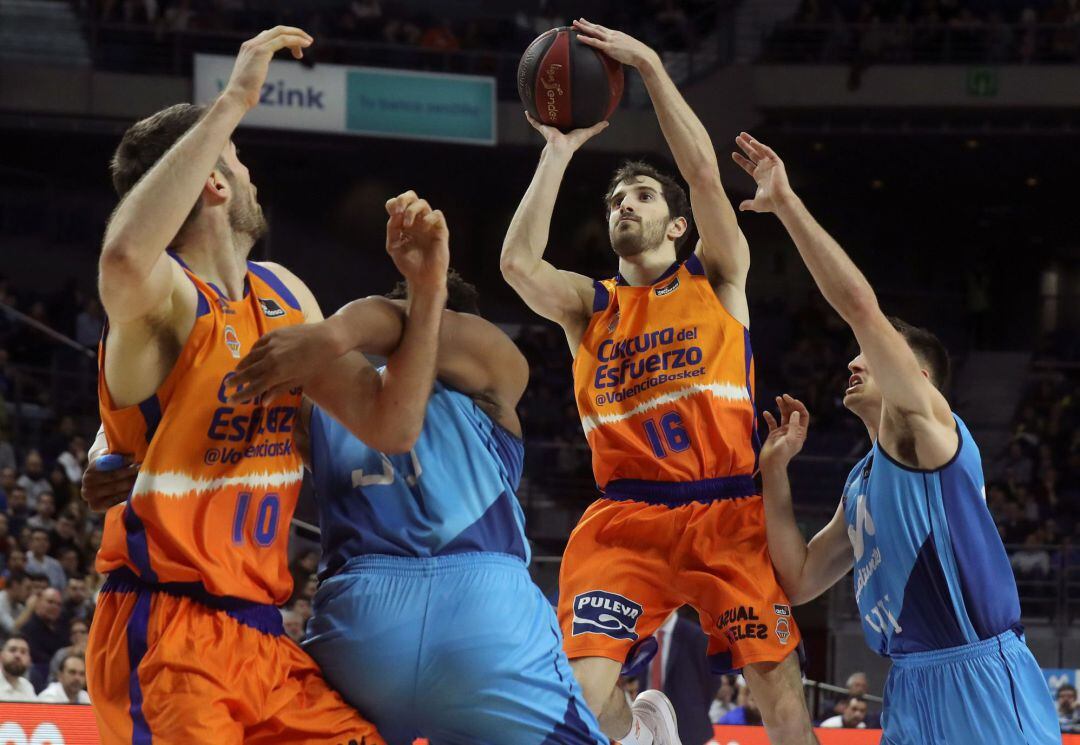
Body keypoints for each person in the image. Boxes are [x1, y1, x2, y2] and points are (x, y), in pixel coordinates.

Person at [78, 24, 465, 745]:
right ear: (215, 181)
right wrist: (230, 102)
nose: (254, 176)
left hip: (259, 634)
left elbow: (391, 423)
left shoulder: (285, 293)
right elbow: (124, 257)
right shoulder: (166, 299)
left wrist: (430, 290)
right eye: (238, 161)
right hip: (167, 632)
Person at [500, 18, 815, 745]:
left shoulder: (717, 276)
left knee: (781, 692)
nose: (623, 207)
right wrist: (557, 150)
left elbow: (705, 174)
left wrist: (647, 67)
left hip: (726, 511)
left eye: (640, 196)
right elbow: (518, 265)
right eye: (614, 201)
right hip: (626, 520)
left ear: (677, 226)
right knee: (578, 696)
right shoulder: (590, 306)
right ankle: (644, 736)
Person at [735, 131, 1061, 745]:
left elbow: (860, 307)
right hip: (907, 683)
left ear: (916, 376)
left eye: (870, 357)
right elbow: (801, 579)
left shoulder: (932, 432)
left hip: (978, 674)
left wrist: (785, 205)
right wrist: (774, 474)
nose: (853, 364)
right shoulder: (861, 480)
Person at [223, 237, 609, 742]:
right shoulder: (493, 368)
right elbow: (405, 324)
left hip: (359, 623)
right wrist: (338, 333)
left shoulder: (322, 405)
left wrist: (115, 445)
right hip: (485, 609)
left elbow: (213, 406)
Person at [0, 635, 35, 702]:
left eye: (23, 652)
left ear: (29, 660)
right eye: (12, 650)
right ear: (1, 656)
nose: (18, 655)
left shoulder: (27, 687)